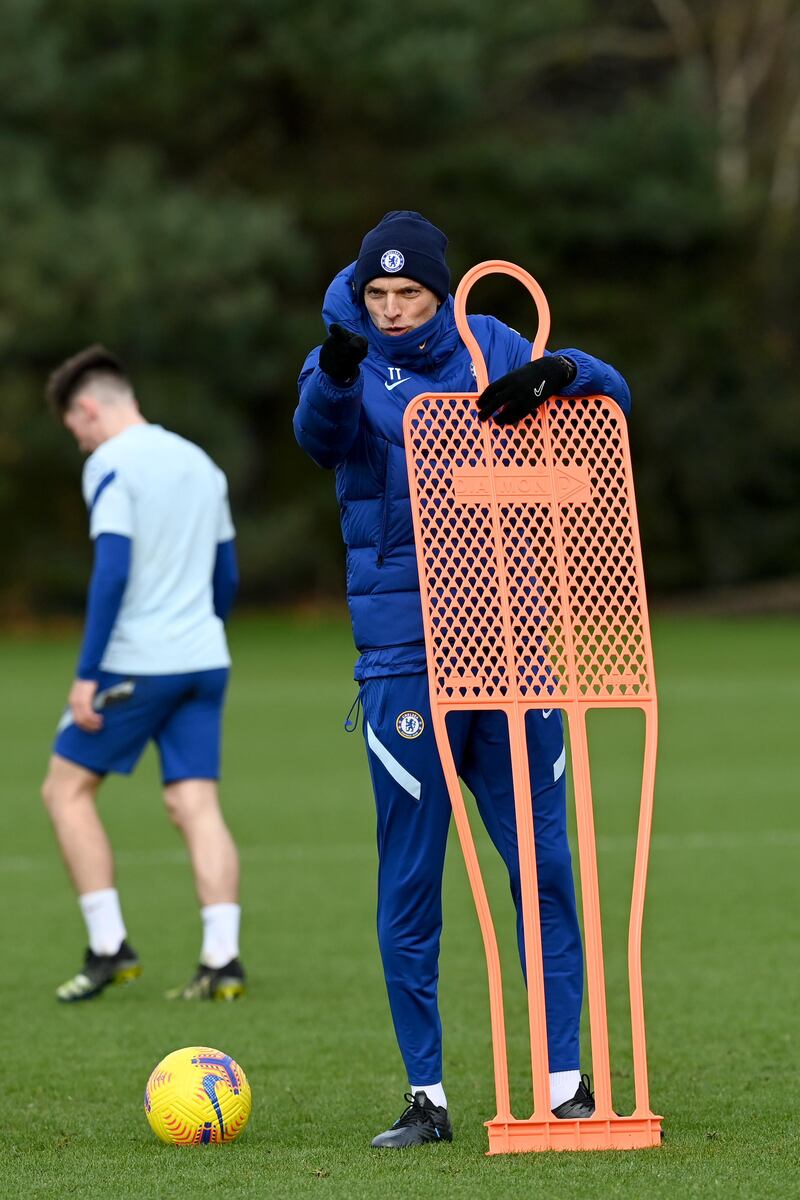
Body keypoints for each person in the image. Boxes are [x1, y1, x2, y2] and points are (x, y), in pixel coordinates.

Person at [294, 211, 632, 1149]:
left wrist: (560, 375)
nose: (394, 310)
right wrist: (335, 369)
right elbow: (318, 439)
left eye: (410, 294)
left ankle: (566, 1081)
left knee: (543, 866)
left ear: (442, 292)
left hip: (513, 647)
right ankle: (427, 1097)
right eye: (379, 295)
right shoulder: (343, 357)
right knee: (410, 881)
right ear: (360, 295)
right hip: (405, 657)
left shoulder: (490, 340)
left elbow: (613, 401)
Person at [42, 345, 245, 1004]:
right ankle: (223, 960)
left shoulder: (110, 463)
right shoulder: (200, 463)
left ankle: (109, 947)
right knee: (195, 803)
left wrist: (87, 673)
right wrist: (200, 630)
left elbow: (113, 568)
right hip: (204, 660)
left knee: (64, 789)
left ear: (89, 408)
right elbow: (227, 575)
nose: (80, 442)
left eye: (76, 429)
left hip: (136, 663)